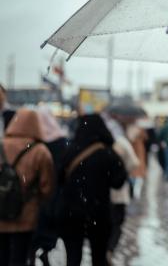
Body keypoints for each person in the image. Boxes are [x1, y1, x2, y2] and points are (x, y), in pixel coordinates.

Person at [56, 114, 127, 266]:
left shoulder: (70, 150)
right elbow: (118, 182)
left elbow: (59, 179)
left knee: (73, 258)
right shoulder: (108, 153)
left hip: (71, 214)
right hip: (98, 214)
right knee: (99, 258)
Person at [0, 108, 54, 266]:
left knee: (2, 255)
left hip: (0, 211)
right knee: (20, 256)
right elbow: (47, 186)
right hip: (26, 214)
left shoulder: (1, 145)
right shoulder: (40, 151)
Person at [31, 107, 68, 266]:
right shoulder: (62, 142)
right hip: (56, 194)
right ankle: (45, 251)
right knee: (51, 228)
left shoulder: (35, 143)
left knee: (37, 228)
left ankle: (36, 253)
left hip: (36, 196)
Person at [102, 112, 140, 264]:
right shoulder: (122, 142)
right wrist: (123, 170)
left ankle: (105, 249)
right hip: (119, 193)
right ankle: (110, 249)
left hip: (104, 193)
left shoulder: (102, 143)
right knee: (117, 224)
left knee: (106, 224)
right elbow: (134, 163)